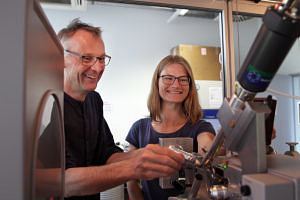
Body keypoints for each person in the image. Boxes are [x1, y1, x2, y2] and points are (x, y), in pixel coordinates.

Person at [58, 19, 184, 200]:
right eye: (87, 58)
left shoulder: (94, 101)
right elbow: (64, 182)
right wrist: (133, 167)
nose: (98, 67)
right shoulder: (48, 106)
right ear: (61, 58)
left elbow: (107, 154)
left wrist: (142, 155)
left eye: (101, 58)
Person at [126, 55, 217, 200]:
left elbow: (207, 146)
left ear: (190, 85)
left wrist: (212, 150)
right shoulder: (139, 129)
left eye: (182, 79)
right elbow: (131, 178)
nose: (176, 85)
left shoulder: (200, 127)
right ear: (157, 82)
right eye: (168, 78)